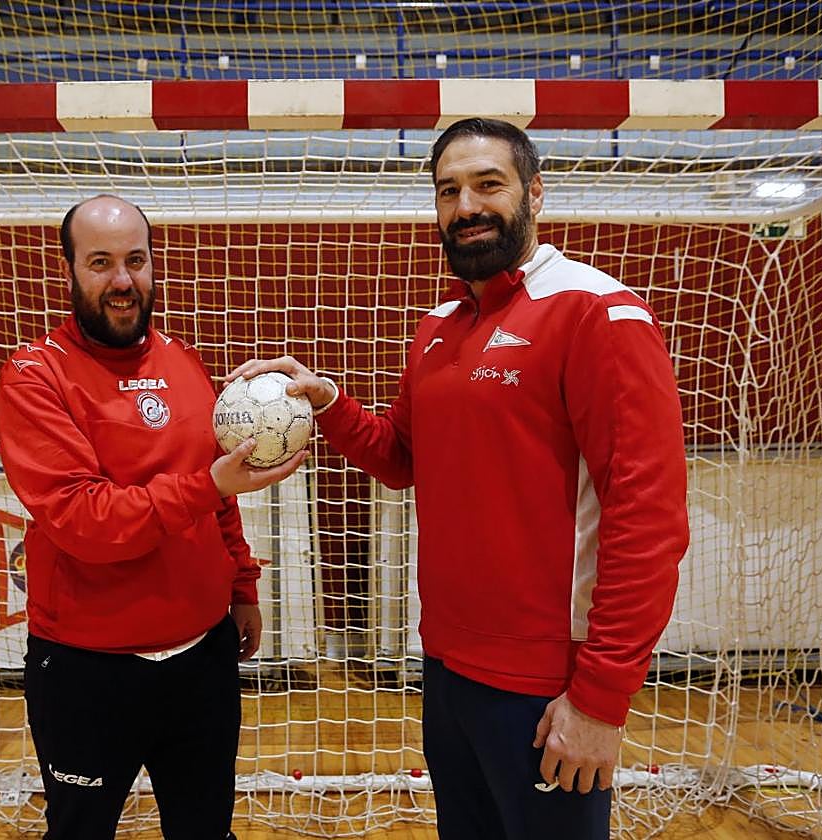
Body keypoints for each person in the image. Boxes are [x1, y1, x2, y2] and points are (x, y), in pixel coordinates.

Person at [228, 119, 689, 839]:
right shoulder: (438, 327)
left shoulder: (598, 311)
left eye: (488, 184)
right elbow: (402, 457)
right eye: (449, 191)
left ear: (535, 192)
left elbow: (650, 519)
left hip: (545, 688)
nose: (467, 206)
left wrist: (600, 699)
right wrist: (327, 400)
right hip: (444, 669)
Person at [0, 194, 304, 840]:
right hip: (87, 670)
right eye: (101, 262)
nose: (122, 281)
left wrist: (241, 585)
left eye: (136, 260)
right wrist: (206, 485)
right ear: (71, 270)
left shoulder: (183, 361)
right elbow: (85, 521)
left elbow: (219, 495)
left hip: (201, 660)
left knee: (206, 831)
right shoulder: (35, 378)